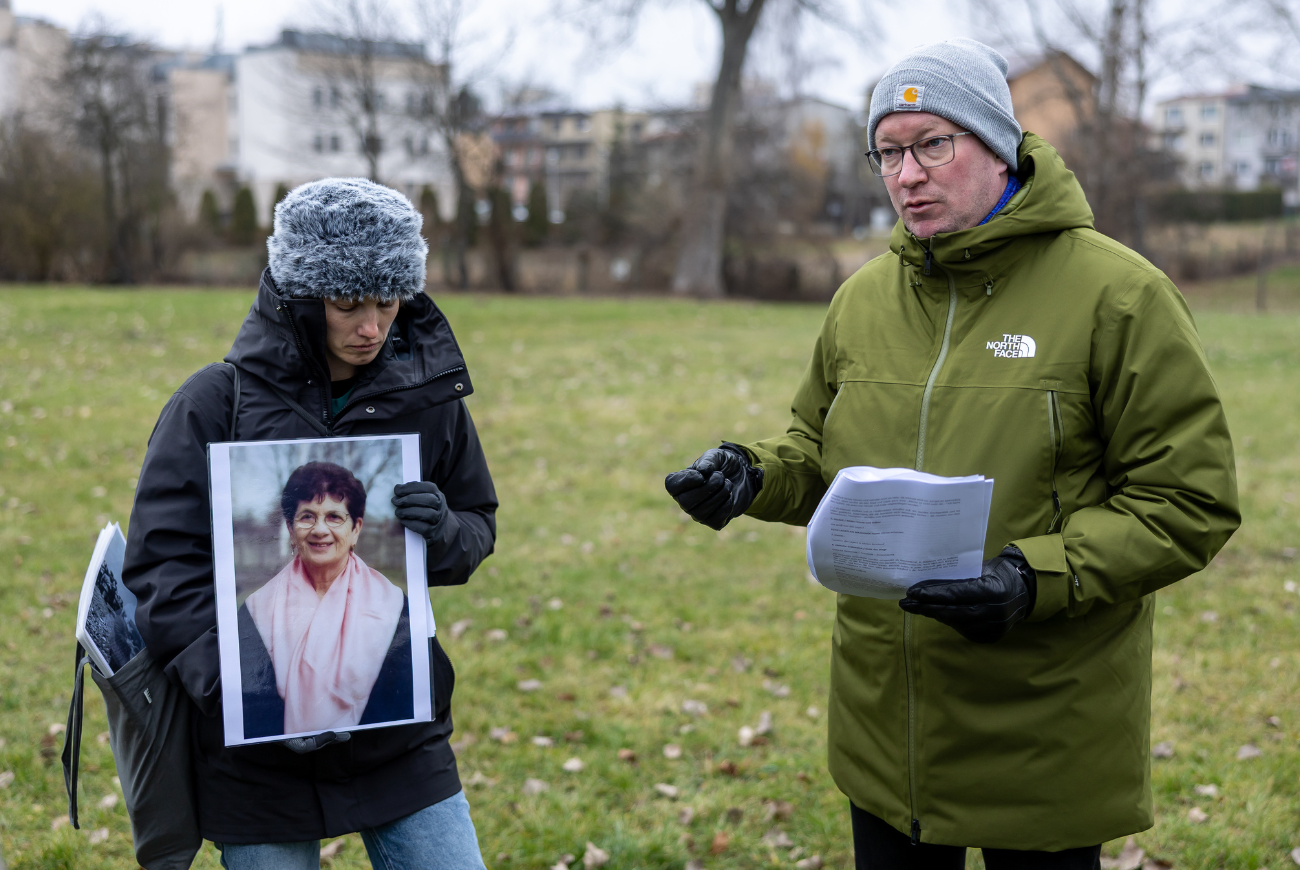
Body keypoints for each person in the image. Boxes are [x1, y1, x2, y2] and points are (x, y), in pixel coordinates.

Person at [666, 38, 1239, 867]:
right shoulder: (862, 299)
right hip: (883, 731)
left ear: (997, 145)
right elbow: (817, 455)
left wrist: (1029, 576)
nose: (907, 175)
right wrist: (751, 474)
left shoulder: (1121, 296)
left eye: (934, 143)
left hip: (1042, 727)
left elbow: (1189, 503)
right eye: (888, 153)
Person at [123, 177, 496, 870]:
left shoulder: (430, 399)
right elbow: (161, 569)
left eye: (388, 303)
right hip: (256, 755)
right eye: (348, 304)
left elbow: (478, 525)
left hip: (397, 734)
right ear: (300, 298)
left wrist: (443, 530)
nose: (371, 328)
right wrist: (245, 686)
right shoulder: (212, 403)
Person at [239, 461, 413, 739]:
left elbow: (406, 704)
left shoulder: (395, 607)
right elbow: (253, 709)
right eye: (307, 516)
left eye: (334, 517)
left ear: (356, 529)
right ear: (290, 527)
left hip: (372, 762)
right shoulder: (255, 611)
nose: (320, 529)